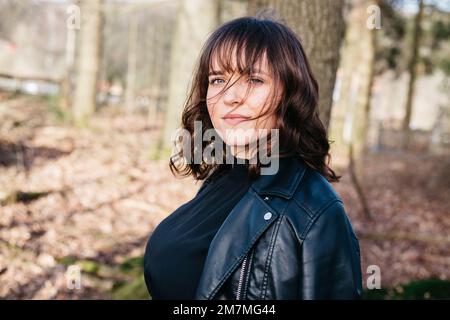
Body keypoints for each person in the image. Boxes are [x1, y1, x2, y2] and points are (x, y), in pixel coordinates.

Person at [144, 16, 362, 300]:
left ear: (289, 93)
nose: (231, 96)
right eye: (218, 79)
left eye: (254, 79)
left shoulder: (316, 211)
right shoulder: (222, 176)